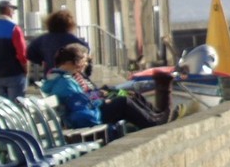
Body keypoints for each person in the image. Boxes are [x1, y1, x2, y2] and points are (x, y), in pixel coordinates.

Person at [41, 43, 183, 129]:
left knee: (130, 95)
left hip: (93, 109)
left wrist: (103, 94)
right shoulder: (63, 82)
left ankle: (156, 116)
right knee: (124, 102)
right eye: (83, 61)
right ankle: (153, 122)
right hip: (88, 116)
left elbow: (84, 97)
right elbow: (80, 101)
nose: (85, 65)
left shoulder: (69, 77)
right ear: (70, 62)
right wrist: (101, 96)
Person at [0, 0, 28, 99]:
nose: (13, 12)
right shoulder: (14, 28)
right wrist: (26, 70)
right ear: (7, 10)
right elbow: (22, 54)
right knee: (17, 106)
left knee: (3, 108)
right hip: (15, 73)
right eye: (12, 9)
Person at [26, 9, 90, 77]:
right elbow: (85, 49)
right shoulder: (71, 39)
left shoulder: (43, 38)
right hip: (70, 75)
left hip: (50, 74)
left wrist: (42, 60)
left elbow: (30, 52)